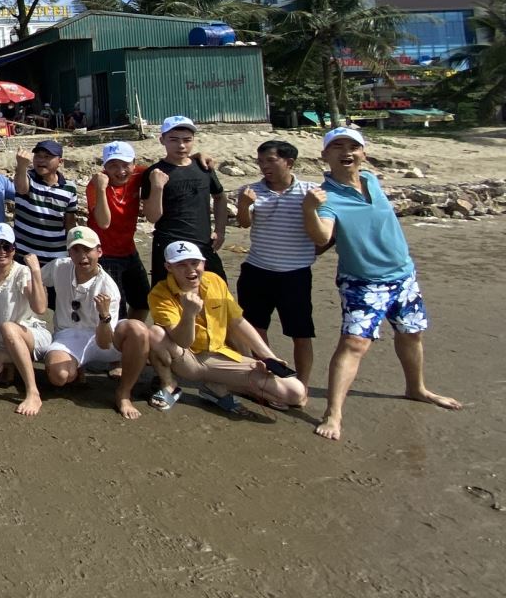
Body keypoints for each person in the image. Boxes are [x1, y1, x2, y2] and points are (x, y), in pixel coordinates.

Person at [303, 127, 460, 441]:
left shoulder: (371, 180)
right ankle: (333, 413)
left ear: (363, 153)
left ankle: (416, 388)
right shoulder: (326, 197)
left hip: (403, 275)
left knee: (411, 333)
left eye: (353, 146)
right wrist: (309, 208)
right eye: (337, 147)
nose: (346, 152)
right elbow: (321, 237)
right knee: (354, 345)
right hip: (364, 283)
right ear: (325, 155)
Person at [145, 241, 307, 414]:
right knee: (155, 333)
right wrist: (189, 314)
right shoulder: (159, 293)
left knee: (295, 393)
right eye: (181, 265)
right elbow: (183, 342)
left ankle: (216, 387)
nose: (190, 270)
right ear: (169, 267)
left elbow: (238, 322)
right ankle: (169, 384)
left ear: (203, 263)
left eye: (194, 263)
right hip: (187, 360)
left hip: (220, 356)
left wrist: (268, 357)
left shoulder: (215, 281)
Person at [234, 139, 320, 390]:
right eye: (260, 161)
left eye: (270, 160)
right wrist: (244, 205)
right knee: (256, 329)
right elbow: (244, 224)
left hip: (295, 274)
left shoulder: (310, 191)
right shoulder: (251, 190)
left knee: (301, 333)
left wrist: (311, 254)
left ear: (289, 162)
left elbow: (328, 231)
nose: (264, 166)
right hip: (257, 270)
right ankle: (270, 382)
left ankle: (302, 385)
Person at [42, 227, 149, 420]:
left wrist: (104, 316)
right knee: (59, 376)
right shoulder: (59, 266)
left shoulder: (108, 288)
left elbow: (104, 343)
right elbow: (33, 279)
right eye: (76, 250)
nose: (82, 256)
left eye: (87, 249)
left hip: (101, 337)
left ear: (99, 251)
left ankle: (124, 393)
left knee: (138, 330)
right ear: (69, 253)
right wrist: (34, 274)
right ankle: (77, 367)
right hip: (68, 335)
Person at [0, 223, 51, 416]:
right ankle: (13, 362)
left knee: (8, 328)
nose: (2, 251)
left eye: (7, 246)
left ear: (14, 248)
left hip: (29, 334)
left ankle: (33, 392)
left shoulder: (22, 272)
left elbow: (40, 308)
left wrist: (36, 272)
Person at [141, 115, 226, 283]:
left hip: (203, 244)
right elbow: (152, 217)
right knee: (167, 294)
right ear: (162, 140)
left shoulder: (203, 166)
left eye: (187, 140)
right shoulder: (154, 173)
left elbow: (220, 197)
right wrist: (157, 187)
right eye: (173, 140)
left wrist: (220, 230)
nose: (181, 145)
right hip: (168, 246)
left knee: (217, 289)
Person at [87, 141, 151, 323]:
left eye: (125, 165)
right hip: (105, 254)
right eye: (113, 165)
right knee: (116, 309)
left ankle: (130, 335)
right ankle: (117, 338)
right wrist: (101, 189)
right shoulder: (95, 185)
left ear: (134, 164)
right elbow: (103, 222)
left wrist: (196, 157)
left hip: (129, 251)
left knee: (143, 302)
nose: (121, 171)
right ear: (105, 166)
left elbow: (167, 166)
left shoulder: (139, 173)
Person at [12, 139, 79, 308]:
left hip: (56, 260)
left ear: (60, 161)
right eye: (38, 156)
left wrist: (73, 252)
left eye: (47, 156)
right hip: (24, 257)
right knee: (22, 306)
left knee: (61, 305)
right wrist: (21, 166)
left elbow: (70, 224)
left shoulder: (69, 188)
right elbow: (21, 188)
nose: (41, 160)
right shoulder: (28, 177)